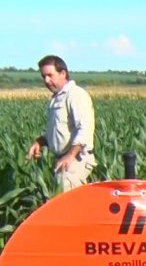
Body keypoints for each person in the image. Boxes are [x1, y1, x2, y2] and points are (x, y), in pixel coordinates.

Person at [26, 55, 96, 193]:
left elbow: (84, 128)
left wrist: (70, 155)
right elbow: (59, 130)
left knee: (67, 207)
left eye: (50, 75)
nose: (46, 80)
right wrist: (39, 142)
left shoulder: (75, 95)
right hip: (65, 160)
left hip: (76, 159)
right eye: (43, 76)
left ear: (63, 73)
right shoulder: (58, 97)